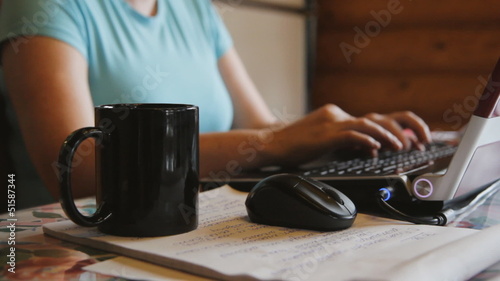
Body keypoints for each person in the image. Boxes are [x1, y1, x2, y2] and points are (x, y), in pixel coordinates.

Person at [0, 0, 431, 208]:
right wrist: (273, 142)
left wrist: (337, 138)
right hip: (84, 236)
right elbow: (77, 171)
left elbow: (262, 129)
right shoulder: (43, 5)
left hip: (198, 221)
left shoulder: (192, 9)